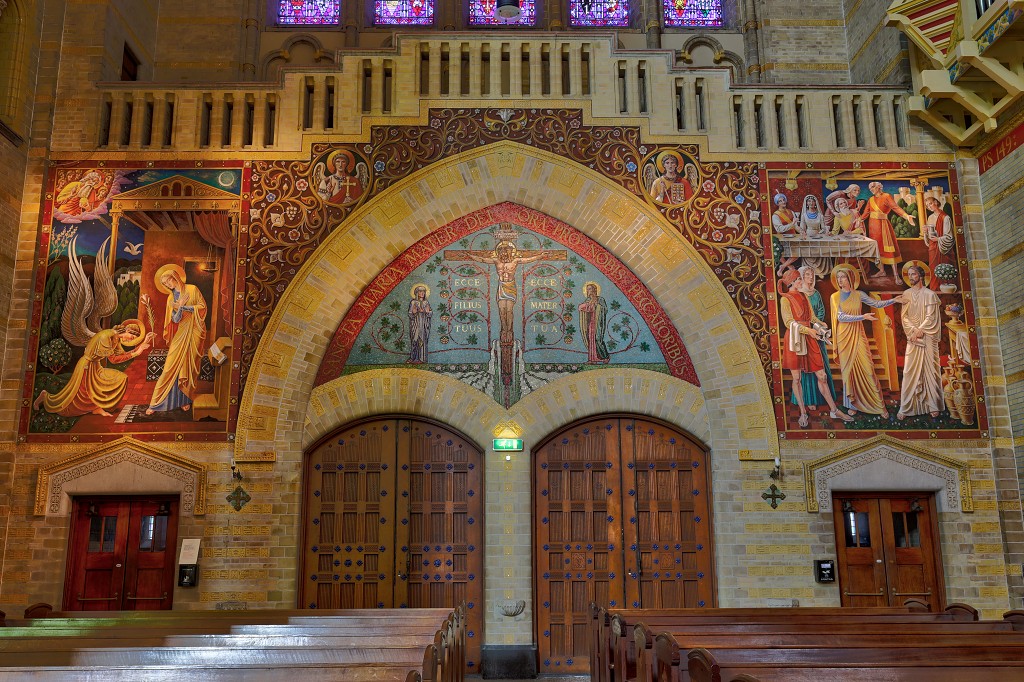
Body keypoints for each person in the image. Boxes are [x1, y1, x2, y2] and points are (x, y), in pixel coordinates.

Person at [779, 269, 854, 428]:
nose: (801, 281)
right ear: (792, 283)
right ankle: (803, 413)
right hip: (795, 340)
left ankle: (834, 409)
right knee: (797, 378)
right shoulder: (785, 300)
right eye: (799, 279)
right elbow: (788, 322)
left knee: (822, 376)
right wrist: (809, 331)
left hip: (810, 337)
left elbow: (811, 317)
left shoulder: (804, 296)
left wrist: (821, 325)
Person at [33, 323, 153, 417]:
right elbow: (114, 360)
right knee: (78, 397)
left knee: (120, 378)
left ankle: (96, 408)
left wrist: (141, 346)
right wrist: (137, 352)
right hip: (86, 366)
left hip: (96, 366)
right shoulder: (107, 336)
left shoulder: (116, 339)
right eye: (131, 337)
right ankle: (46, 397)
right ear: (127, 331)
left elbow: (121, 356)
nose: (129, 340)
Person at [829, 264, 900, 419]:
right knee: (848, 372)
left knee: (867, 367)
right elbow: (841, 317)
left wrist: (894, 300)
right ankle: (852, 404)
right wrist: (863, 317)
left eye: (843, 276)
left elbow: (876, 304)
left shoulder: (859, 294)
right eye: (838, 277)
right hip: (843, 336)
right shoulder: (834, 297)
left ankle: (879, 406)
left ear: (850, 278)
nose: (840, 280)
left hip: (858, 333)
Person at [146, 265, 208, 414]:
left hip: (195, 330)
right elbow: (175, 319)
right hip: (181, 332)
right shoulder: (170, 298)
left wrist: (185, 307)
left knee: (189, 365)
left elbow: (203, 307)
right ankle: (156, 402)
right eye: (165, 284)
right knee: (169, 366)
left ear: (176, 278)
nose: (168, 285)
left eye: (169, 282)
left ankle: (185, 399)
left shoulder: (193, 289)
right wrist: (179, 308)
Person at [897, 263, 943, 419]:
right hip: (913, 337)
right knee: (909, 370)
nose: (911, 277)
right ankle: (907, 406)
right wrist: (913, 332)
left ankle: (933, 405)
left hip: (927, 337)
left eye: (914, 274)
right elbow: (904, 317)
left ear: (921, 276)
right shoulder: (906, 293)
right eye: (909, 274)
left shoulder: (930, 294)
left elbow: (932, 317)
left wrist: (919, 330)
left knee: (930, 369)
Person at [790, 266, 837, 410]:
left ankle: (825, 397)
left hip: (817, 333)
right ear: (802, 277)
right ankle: (809, 399)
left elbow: (820, 311)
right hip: (804, 334)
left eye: (812, 275)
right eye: (807, 275)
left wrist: (818, 326)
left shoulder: (815, 293)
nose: (810, 277)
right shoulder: (798, 294)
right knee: (807, 369)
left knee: (821, 368)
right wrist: (809, 327)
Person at [861, 181, 916, 280]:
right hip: (873, 227)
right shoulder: (871, 199)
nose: (871, 189)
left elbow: (895, 207)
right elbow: (866, 212)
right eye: (870, 188)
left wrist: (907, 216)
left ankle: (895, 275)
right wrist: (859, 219)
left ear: (878, 187)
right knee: (877, 248)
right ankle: (882, 271)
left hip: (883, 226)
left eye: (873, 187)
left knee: (889, 248)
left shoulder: (886, 196)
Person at [923, 195, 954, 291]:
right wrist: (925, 232)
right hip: (933, 248)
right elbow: (929, 237)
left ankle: (945, 289)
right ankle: (934, 289)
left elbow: (949, 237)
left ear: (936, 202)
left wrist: (938, 239)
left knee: (943, 268)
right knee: (933, 268)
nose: (930, 206)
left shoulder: (946, 218)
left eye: (931, 203)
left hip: (942, 248)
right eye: (927, 206)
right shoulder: (930, 217)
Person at [578, 282, 610, 364]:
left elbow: (605, 310)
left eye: (590, 289)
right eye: (587, 289)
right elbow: (583, 308)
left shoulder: (600, 299)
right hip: (590, 323)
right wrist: (587, 306)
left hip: (598, 323)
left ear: (594, 290)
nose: (589, 291)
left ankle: (605, 357)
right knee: (591, 340)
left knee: (598, 339)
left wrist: (597, 306)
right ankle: (592, 359)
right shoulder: (588, 300)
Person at [772, 193, 800, 276]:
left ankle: (783, 266)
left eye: (783, 200)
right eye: (780, 201)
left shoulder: (790, 212)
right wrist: (792, 224)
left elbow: (795, 226)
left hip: (793, 236)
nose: (783, 202)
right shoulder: (775, 215)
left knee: (797, 253)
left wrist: (801, 231)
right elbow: (779, 229)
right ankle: (788, 266)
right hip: (782, 237)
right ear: (777, 203)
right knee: (779, 252)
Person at [407, 284, 432, 364]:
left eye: (423, 292)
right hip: (416, 324)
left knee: (423, 341)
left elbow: (430, 313)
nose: (422, 293)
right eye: (420, 292)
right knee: (414, 340)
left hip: (424, 325)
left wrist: (426, 311)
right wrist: (415, 312)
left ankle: (422, 359)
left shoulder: (426, 302)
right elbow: (410, 313)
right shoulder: (413, 302)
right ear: (417, 293)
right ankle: (413, 358)